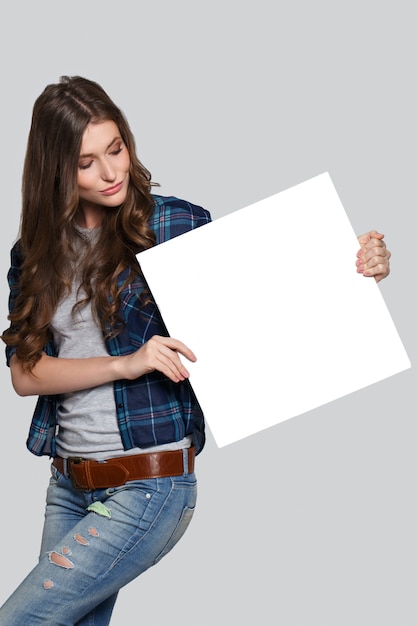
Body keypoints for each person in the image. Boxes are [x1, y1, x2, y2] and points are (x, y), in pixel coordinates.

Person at [0, 76, 391, 625]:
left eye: (116, 149)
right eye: (87, 162)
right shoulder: (35, 253)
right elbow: (26, 373)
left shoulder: (170, 223)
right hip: (67, 484)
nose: (111, 172)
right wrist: (126, 362)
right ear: (55, 168)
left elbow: (264, 296)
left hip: (149, 481)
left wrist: (353, 268)